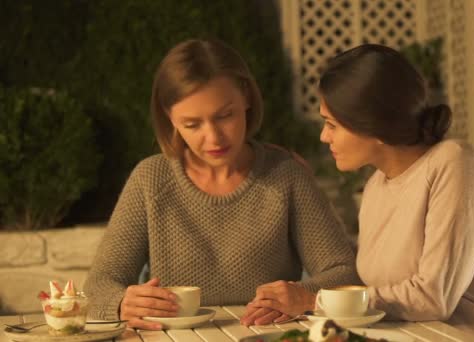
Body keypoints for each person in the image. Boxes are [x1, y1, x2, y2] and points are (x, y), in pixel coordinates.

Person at [246, 44, 474, 341]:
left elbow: (434, 298)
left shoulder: (454, 163)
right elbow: (377, 296)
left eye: (332, 124)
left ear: (374, 123)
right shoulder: (375, 187)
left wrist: (313, 301)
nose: (324, 136)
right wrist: (290, 305)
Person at [84, 39, 359, 330]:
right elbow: (98, 285)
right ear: (169, 118)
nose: (214, 138)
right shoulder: (151, 179)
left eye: (225, 116)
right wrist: (120, 302)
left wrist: (304, 295)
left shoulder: (286, 175)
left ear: (246, 98)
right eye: (192, 124)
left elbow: (343, 273)